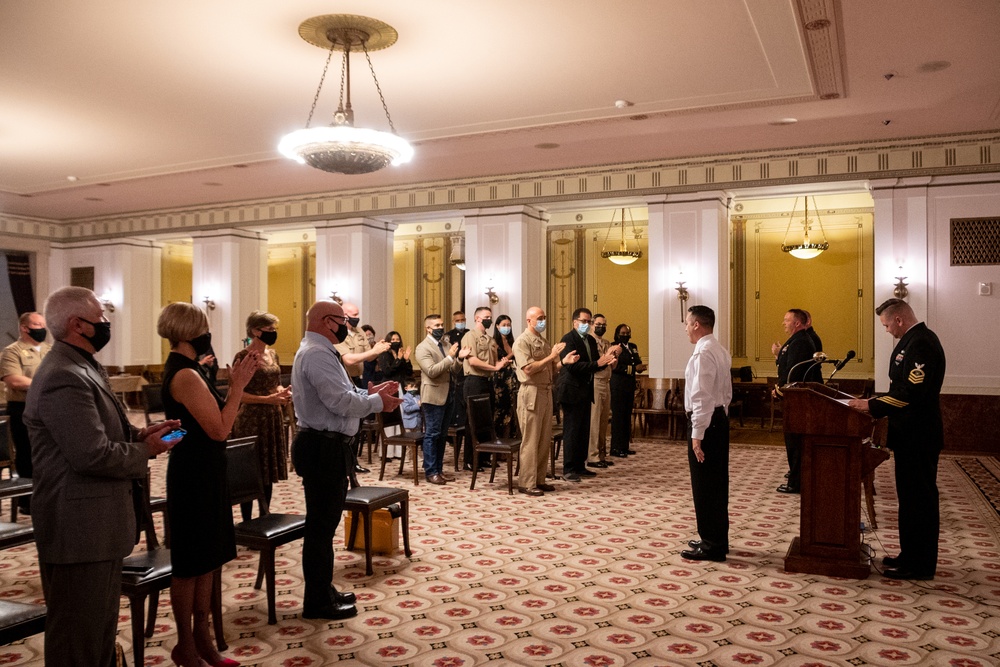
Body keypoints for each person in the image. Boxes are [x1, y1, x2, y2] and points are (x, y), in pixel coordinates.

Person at [24, 287, 179, 666]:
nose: (107, 324)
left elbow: (101, 432)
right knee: (80, 634)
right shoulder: (64, 374)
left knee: (97, 629)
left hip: (96, 525)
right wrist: (148, 451)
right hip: (78, 526)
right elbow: (90, 454)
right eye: (102, 318)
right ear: (78, 324)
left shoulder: (82, 364)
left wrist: (141, 435)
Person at [158, 301, 261, 667]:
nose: (208, 336)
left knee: (209, 559)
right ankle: (186, 643)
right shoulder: (184, 374)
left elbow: (205, 425)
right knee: (190, 564)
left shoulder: (192, 370)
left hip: (206, 469)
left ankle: (203, 639)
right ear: (189, 333)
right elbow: (219, 430)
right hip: (192, 475)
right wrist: (237, 387)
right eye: (204, 329)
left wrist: (233, 388)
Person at [291, 300, 403, 619]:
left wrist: (371, 393)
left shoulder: (322, 350)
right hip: (321, 448)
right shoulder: (316, 353)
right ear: (328, 321)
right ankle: (317, 601)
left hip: (329, 447)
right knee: (321, 529)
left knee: (324, 526)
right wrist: (376, 403)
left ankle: (323, 590)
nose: (347, 326)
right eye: (343, 320)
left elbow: (345, 392)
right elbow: (339, 402)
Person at [848, 298, 946, 580]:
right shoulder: (912, 341)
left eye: (887, 324)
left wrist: (872, 405)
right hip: (909, 435)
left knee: (920, 500)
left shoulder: (922, 343)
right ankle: (909, 555)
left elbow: (912, 394)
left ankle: (920, 565)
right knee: (910, 498)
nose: (887, 330)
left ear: (899, 319)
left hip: (919, 435)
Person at [679, 305, 733, 563]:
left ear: (697, 324)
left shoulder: (703, 354)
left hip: (707, 423)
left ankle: (712, 545)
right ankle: (717, 539)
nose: (686, 328)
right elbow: (726, 393)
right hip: (718, 419)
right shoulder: (719, 350)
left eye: (688, 323)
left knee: (705, 485)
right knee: (717, 482)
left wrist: (697, 433)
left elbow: (701, 397)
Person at [232, 311, 292, 522]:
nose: (273, 333)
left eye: (274, 329)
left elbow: (274, 382)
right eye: (269, 330)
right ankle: (247, 521)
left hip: (272, 417)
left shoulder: (272, 354)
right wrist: (270, 399)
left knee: (268, 471)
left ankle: (265, 516)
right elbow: (238, 395)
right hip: (251, 419)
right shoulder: (243, 357)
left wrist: (282, 391)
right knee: (250, 472)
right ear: (255, 331)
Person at [555, 308, 617, 483]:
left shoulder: (589, 339)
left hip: (586, 389)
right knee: (572, 431)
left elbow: (595, 364)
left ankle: (580, 466)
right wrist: (597, 363)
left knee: (584, 430)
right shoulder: (568, 339)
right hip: (571, 389)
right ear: (575, 322)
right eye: (584, 321)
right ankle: (569, 468)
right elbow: (572, 366)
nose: (587, 325)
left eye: (589, 322)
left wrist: (607, 361)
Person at [513, 307, 568, 496]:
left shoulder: (543, 342)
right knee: (531, 439)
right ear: (529, 320)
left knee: (545, 439)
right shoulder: (522, 341)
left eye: (544, 317)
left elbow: (551, 369)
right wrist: (552, 356)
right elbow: (528, 368)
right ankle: (526, 482)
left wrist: (564, 362)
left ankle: (539, 479)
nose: (543, 321)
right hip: (531, 392)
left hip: (546, 391)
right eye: (540, 318)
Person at [1, 311, 51, 514]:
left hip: (48, 407)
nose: (42, 329)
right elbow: (14, 380)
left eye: (43, 324)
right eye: (37, 325)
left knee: (48, 453)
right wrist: (46, 384)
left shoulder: (50, 350)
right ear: (24, 327)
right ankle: (27, 500)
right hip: (23, 408)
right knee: (27, 452)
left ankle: (48, 497)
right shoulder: (12, 351)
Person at [415, 314, 470, 485]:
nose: (440, 327)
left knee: (442, 434)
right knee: (432, 434)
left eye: (441, 324)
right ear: (428, 328)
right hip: (432, 396)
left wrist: (459, 358)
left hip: (449, 393)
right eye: (437, 325)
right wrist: (450, 357)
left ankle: (438, 470)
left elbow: (452, 369)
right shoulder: (423, 348)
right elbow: (432, 371)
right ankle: (431, 471)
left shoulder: (445, 344)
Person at [772, 308, 822, 494]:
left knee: (795, 441)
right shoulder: (795, 341)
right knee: (793, 441)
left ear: (797, 323)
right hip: (794, 398)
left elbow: (794, 373)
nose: (783, 323)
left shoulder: (801, 342)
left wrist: (780, 389)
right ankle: (796, 477)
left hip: (797, 399)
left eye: (787, 320)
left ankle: (797, 481)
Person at [335, 303, 389, 473]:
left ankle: (353, 462)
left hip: (358, 380)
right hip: (342, 381)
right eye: (353, 314)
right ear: (344, 315)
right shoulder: (338, 333)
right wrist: (373, 352)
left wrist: (378, 350)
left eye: (358, 314)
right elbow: (349, 360)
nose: (356, 317)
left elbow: (368, 356)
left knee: (357, 423)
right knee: (345, 424)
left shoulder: (358, 331)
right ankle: (343, 462)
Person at [462, 306, 509, 470]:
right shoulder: (470, 336)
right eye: (486, 316)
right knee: (472, 421)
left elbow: (493, 362)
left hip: (487, 381)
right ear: (477, 318)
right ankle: (470, 459)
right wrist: (495, 368)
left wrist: (501, 365)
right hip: (474, 381)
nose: (489, 319)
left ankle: (483, 457)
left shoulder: (490, 340)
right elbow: (473, 361)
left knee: (486, 421)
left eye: (490, 316)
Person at [609, 323, 645, 458]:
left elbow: (637, 360)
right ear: (617, 334)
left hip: (629, 386)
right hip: (618, 386)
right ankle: (616, 448)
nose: (625, 335)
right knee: (618, 418)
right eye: (622, 333)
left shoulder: (632, 347)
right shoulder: (613, 347)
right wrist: (634, 368)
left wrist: (638, 366)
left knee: (626, 417)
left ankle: (624, 446)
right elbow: (615, 366)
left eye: (627, 333)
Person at [586, 314, 617, 469]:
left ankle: (602, 454)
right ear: (592, 324)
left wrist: (614, 359)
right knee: (595, 420)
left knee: (604, 420)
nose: (601, 327)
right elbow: (597, 363)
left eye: (604, 324)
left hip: (607, 381)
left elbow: (612, 366)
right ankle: (592, 455)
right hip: (596, 382)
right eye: (598, 324)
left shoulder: (606, 342)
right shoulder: (589, 341)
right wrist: (608, 355)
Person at [378, 331, 414, 459]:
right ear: (388, 341)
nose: (395, 341)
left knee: (401, 418)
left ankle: (399, 452)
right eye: (392, 339)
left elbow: (409, 372)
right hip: (388, 388)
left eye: (397, 339)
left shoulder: (402, 353)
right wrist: (398, 360)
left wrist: (406, 359)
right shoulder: (384, 355)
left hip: (401, 388)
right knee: (390, 418)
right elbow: (387, 371)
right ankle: (386, 453)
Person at [491, 314, 520, 437]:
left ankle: (510, 443)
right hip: (500, 381)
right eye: (504, 325)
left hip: (513, 379)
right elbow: (495, 363)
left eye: (508, 325)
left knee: (512, 412)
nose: (507, 327)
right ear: (497, 326)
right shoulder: (493, 343)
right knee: (501, 412)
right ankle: (500, 448)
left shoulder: (512, 341)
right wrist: (510, 355)